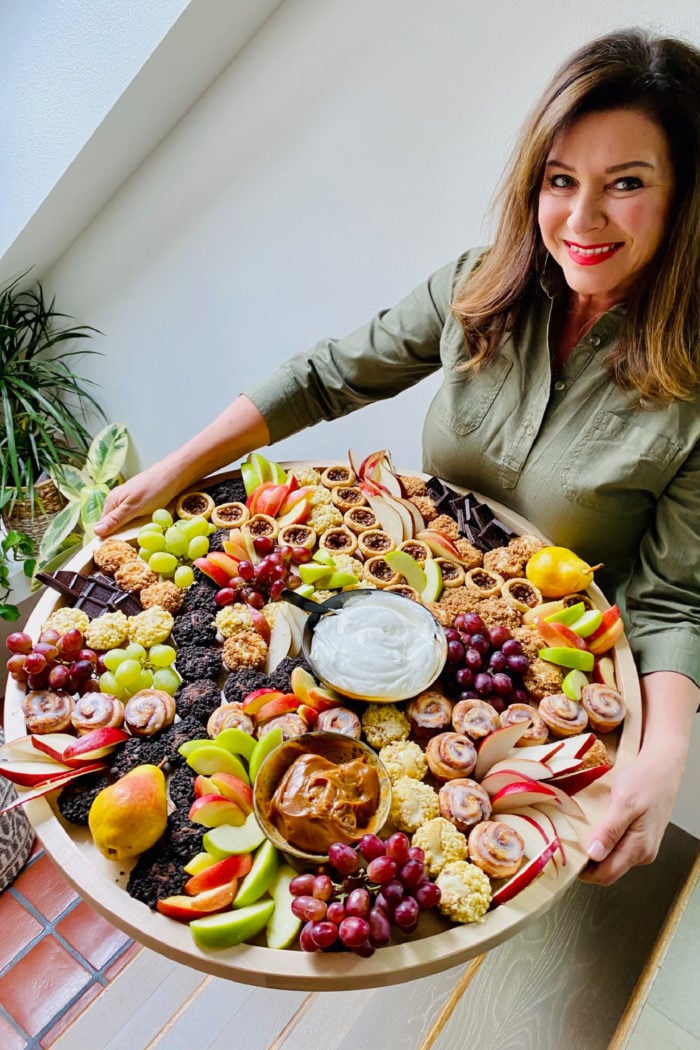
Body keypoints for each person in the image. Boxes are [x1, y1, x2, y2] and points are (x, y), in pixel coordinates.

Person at [95, 28, 700, 887]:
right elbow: (326, 376)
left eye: (627, 184)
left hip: (523, 681)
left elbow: (675, 599)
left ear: (684, 198)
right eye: (560, 180)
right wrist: (175, 467)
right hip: (383, 607)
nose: (581, 219)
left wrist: (666, 749)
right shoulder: (480, 283)